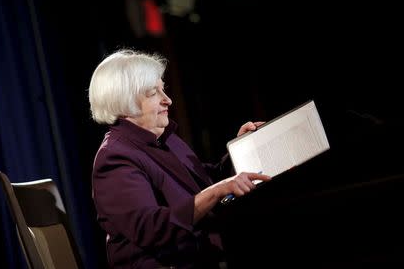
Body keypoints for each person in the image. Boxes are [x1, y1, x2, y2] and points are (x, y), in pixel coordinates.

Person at [88, 49, 271, 269]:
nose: (168, 100)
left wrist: (240, 153)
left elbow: (202, 182)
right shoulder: (114, 158)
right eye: (154, 93)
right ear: (125, 101)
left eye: (162, 90)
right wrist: (217, 191)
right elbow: (152, 228)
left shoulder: (164, 138)